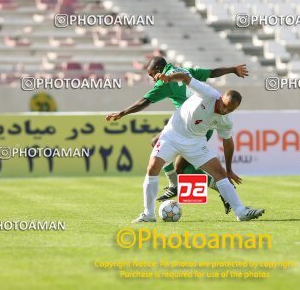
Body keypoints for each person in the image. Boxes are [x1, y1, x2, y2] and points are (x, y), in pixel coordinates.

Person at [105, 56, 248, 213]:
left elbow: (144, 101)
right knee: (177, 163)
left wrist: (122, 113)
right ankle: (197, 184)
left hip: (194, 128)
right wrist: (233, 69)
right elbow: (212, 72)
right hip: (201, 123)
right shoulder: (186, 71)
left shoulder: (164, 82)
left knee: (175, 162)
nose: (153, 79)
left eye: (152, 75)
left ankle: (184, 185)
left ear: (158, 71)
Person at [131, 71, 265, 222]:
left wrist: (229, 169)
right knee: (152, 168)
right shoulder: (208, 93)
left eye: (230, 110)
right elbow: (185, 77)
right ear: (221, 98)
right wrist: (168, 78)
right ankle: (148, 214)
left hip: (195, 143)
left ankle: (241, 212)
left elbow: (227, 142)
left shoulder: (226, 120)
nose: (225, 111)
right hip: (172, 135)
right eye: (225, 106)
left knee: (220, 174)